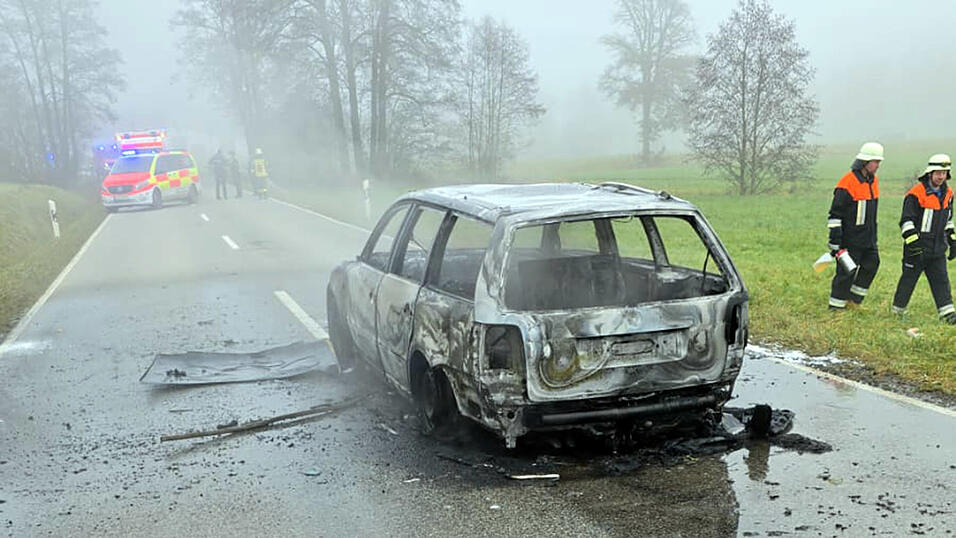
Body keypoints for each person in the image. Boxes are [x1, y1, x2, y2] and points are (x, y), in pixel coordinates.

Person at [891, 154, 956, 324]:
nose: (941, 176)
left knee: (941, 281)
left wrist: (952, 240)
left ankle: (947, 314)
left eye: (944, 173)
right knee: (908, 280)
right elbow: (906, 221)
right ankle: (897, 312)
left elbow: (948, 220)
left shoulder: (949, 194)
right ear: (929, 173)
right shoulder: (915, 193)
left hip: (938, 249)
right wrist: (913, 244)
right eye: (937, 173)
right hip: (917, 249)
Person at [827, 142, 883, 310]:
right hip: (850, 239)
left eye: (879, 162)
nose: (878, 165)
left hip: (868, 238)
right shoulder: (847, 183)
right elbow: (835, 215)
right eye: (875, 161)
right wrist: (835, 241)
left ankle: (854, 301)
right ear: (865, 162)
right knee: (845, 273)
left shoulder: (873, 181)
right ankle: (835, 307)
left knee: (872, 264)